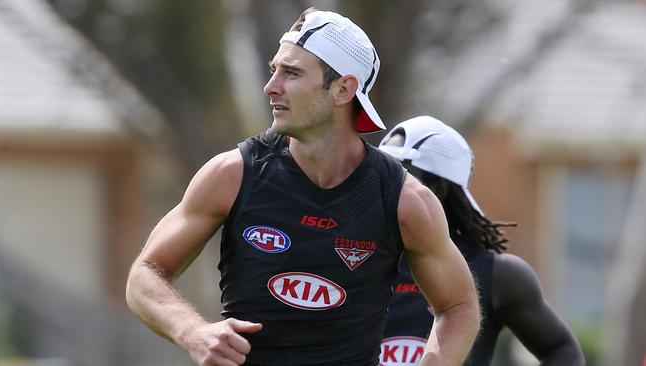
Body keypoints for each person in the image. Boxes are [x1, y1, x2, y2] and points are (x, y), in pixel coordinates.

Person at [125, 7, 480, 366]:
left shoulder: (405, 201)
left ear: (343, 89)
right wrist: (193, 331)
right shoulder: (231, 175)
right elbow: (144, 274)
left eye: (291, 73)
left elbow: (459, 307)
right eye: (273, 70)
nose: (271, 87)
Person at [378, 115, 585, 366]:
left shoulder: (498, 275)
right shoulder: (352, 256)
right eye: (380, 176)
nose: (384, 190)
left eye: (401, 177)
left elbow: (562, 351)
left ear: (440, 188)